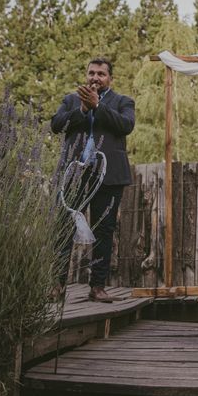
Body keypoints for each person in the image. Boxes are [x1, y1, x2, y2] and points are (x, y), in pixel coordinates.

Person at [50, 58, 135, 302]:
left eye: (101, 74)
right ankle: (57, 286)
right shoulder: (70, 100)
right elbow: (56, 125)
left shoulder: (123, 102)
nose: (95, 77)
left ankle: (97, 287)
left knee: (104, 230)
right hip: (74, 175)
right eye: (91, 73)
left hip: (108, 177)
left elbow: (126, 125)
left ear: (110, 78)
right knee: (64, 228)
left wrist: (98, 106)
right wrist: (83, 110)